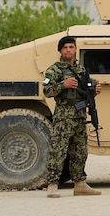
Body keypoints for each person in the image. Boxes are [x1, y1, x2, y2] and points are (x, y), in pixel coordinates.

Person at [43, 35, 102, 198]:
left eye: (71, 47)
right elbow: (46, 91)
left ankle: (79, 184)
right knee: (58, 150)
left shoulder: (81, 70)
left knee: (80, 150)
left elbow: (85, 91)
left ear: (75, 49)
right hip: (63, 116)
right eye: (65, 48)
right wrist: (63, 85)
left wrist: (94, 90)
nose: (69, 50)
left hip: (79, 115)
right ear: (60, 51)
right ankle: (53, 184)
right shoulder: (54, 70)